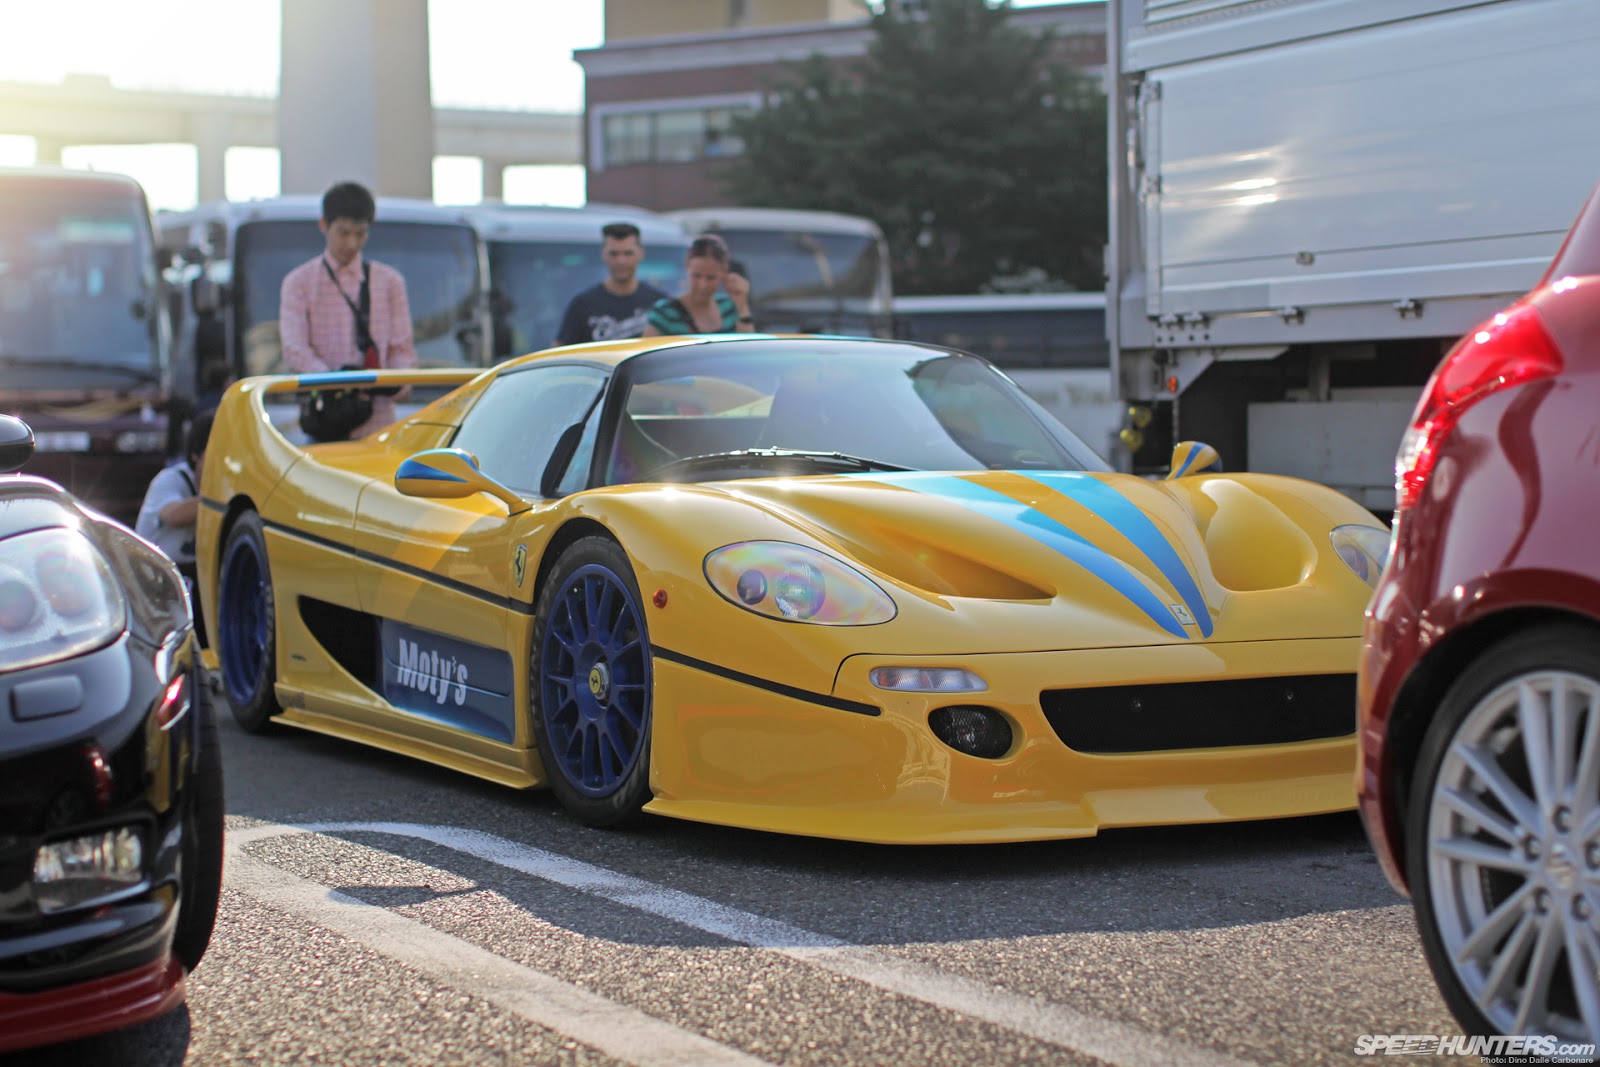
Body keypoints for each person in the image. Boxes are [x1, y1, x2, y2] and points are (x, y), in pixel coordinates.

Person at [279, 181, 417, 438]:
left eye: (360, 233)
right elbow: (295, 350)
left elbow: (402, 350)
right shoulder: (299, 282)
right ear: (324, 225)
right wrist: (337, 382)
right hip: (324, 422)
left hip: (380, 425)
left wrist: (394, 383)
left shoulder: (390, 282)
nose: (352, 243)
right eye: (343, 232)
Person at [136, 409, 213, 647]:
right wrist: (221, 497)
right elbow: (174, 515)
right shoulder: (171, 480)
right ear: (195, 456)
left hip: (190, 576)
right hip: (155, 578)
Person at [555, 221, 669, 346]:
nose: (621, 261)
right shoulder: (582, 305)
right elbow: (559, 354)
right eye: (614, 254)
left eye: (628, 253)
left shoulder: (660, 304)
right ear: (603, 254)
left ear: (641, 253)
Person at [642, 233, 756, 336]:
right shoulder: (665, 313)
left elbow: (747, 346)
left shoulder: (729, 306)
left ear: (724, 272)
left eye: (710, 278)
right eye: (696, 276)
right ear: (687, 266)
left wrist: (742, 305)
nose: (703, 285)